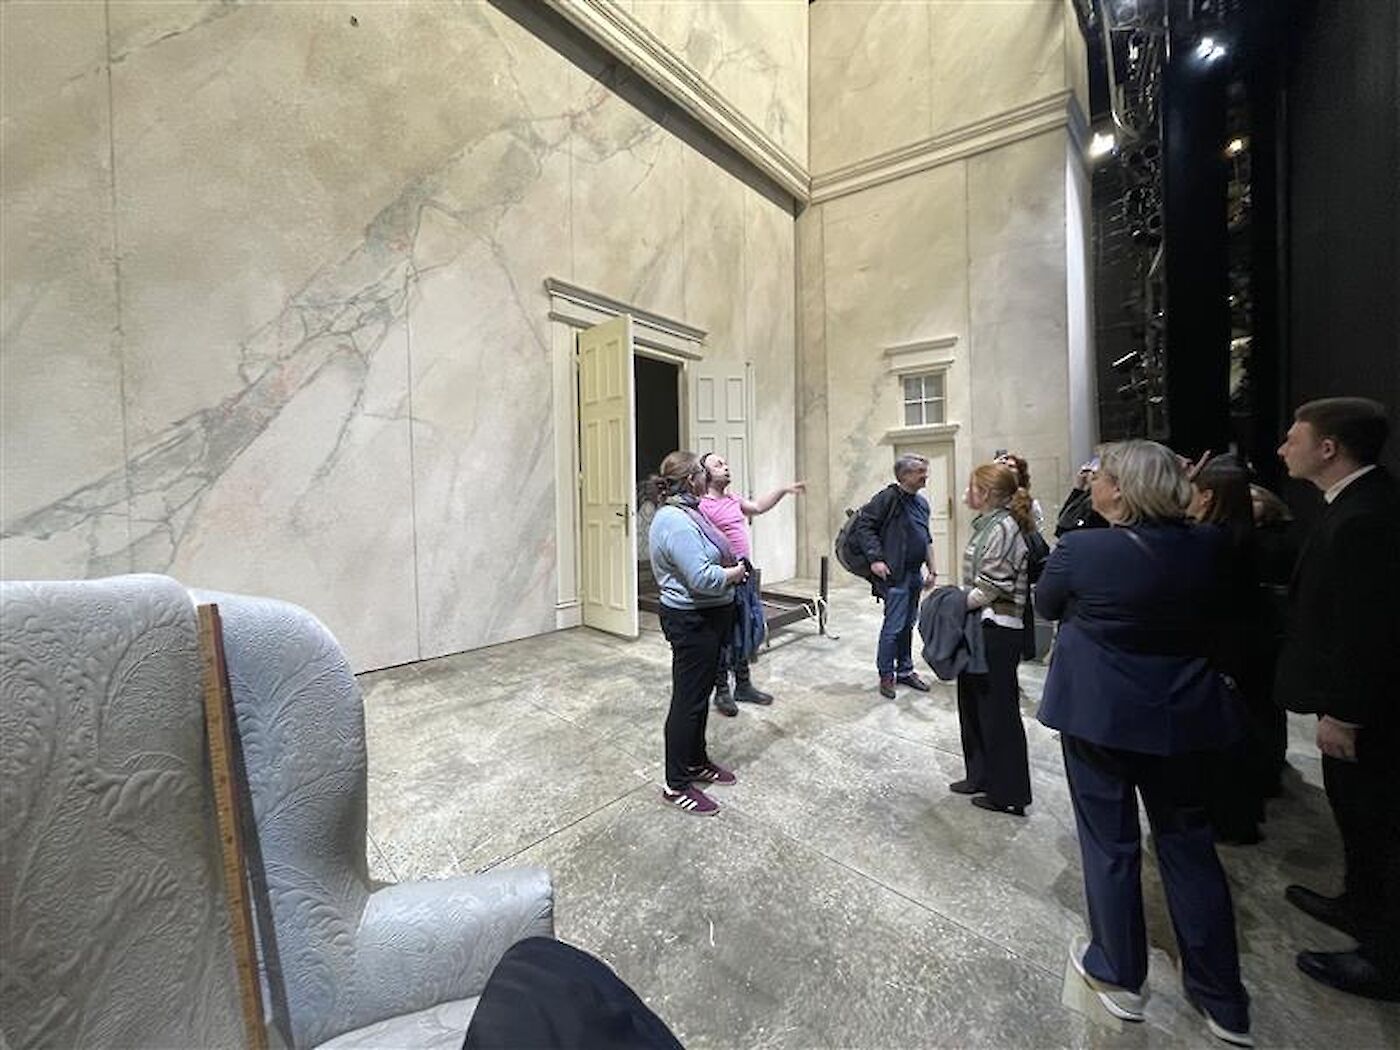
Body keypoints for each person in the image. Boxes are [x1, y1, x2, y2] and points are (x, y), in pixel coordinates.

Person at [1036, 440, 1252, 1046]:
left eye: (1102, 475)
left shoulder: (1083, 548)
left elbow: (1047, 604)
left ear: (1122, 490)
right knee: (1188, 845)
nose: (1094, 482)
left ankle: (1119, 972)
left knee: (1110, 843)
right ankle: (1222, 999)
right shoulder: (1211, 546)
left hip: (1100, 713)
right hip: (1181, 713)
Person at [1274, 397, 1400, 1002]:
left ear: (1328, 449)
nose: (1283, 449)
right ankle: (1360, 904)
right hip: (1346, 700)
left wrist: (1345, 714)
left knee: (1378, 822)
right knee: (1355, 816)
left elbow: (1367, 630)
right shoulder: (1351, 504)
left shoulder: (1366, 515)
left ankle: (1386, 958)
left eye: (1293, 439)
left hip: (1367, 711)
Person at [647, 451, 749, 816]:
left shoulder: (690, 511)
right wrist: (736, 573)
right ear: (693, 480)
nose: (709, 476)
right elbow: (702, 578)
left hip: (708, 617)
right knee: (688, 701)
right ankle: (675, 784)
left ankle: (695, 761)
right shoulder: (674, 520)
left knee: (699, 696)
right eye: (703, 473)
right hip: (692, 621)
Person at [1187, 454, 1272, 843]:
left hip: (1223, 650)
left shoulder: (1212, 540)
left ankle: (1232, 818)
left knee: (1225, 740)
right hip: (1242, 647)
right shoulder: (1240, 533)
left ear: (1207, 496)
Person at [950, 463, 1033, 816]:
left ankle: (1007, 792)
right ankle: (980, 775)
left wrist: (953, 605)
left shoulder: (1003, 528)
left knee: (997, 710)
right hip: (981, 625)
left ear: (984, 494)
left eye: (972, 487)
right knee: (973, 703)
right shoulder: (988, 523)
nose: (966, 492)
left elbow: (992, 586)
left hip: (998, 629)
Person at [697, 452, 804, 716]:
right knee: (723, 636)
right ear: (705, 474)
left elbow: (757, 507)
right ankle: (722, 691)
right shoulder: (702, 506)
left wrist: (783, 490)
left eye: (725, 463)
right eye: (718, 465)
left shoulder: (733, 500)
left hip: (745, 575)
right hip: (725, 578)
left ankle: (743, 685)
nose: (726, 467)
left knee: (744, 630)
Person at [848, 454, 938, 699]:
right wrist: (875, 559)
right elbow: (864, 526)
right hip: (895, 576)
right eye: (920, 471)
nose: (925, 476)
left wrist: (932, 569)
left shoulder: (922, 503)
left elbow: (926, 538)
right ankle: (886, 674)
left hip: (915, 575)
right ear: (904, 475)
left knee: (908, 624)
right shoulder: (887, 498)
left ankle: (905, 671)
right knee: (894, 626)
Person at [995, 450, 1047, 660]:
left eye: (1012, 466)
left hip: (1018, 563)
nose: (1007, 469)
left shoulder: (1028, 501)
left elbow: (1036, 532)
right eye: (1004, 466)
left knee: (1017, 610)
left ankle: (1017, 651)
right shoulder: (993, 496)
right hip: (996, 560)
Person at [1055, 457, 1109, 536]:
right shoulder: (1087, 494)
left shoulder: (1099, 500)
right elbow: (1063, 516)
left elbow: (1068, 523)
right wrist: (1078, 488)